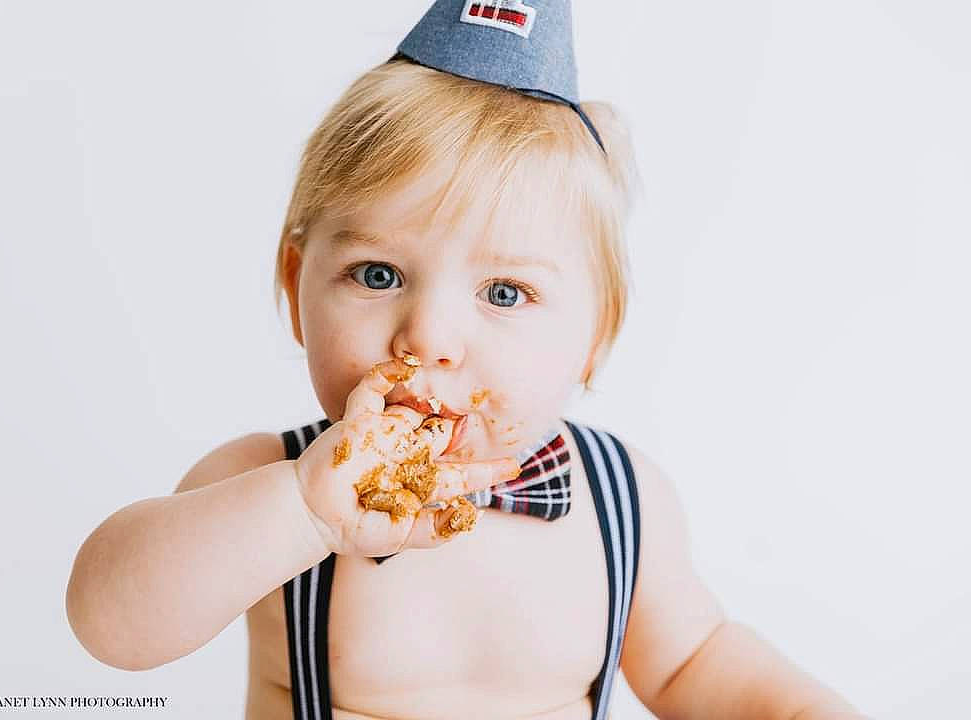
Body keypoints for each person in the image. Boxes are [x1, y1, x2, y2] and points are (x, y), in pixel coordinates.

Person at [66, 2, 867, 718]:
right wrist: (301, 514)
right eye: (378, 275)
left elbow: (698, 663)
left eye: (506, 293)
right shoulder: (264, 483)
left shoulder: (620, 502)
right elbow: (114, 627)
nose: (429, 339)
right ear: (295, 286)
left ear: (597, 334)